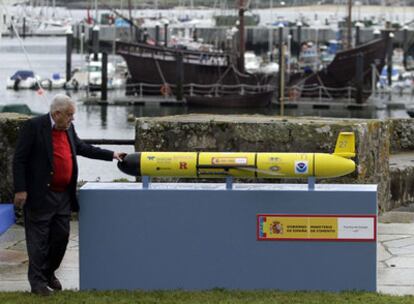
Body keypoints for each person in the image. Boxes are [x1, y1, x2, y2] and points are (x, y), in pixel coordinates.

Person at [13, 94, 126, 296]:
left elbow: (82, 148)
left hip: (63, 196)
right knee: (37, 243)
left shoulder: (67, 128)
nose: (72, 119)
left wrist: (111, 155)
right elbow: (19, 160)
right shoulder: (34, 126)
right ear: (57, 114)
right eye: (69, 115)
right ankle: (37, 284)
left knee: (61, 238)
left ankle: (48, 273)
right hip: (40, 195)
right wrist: (21, 190)